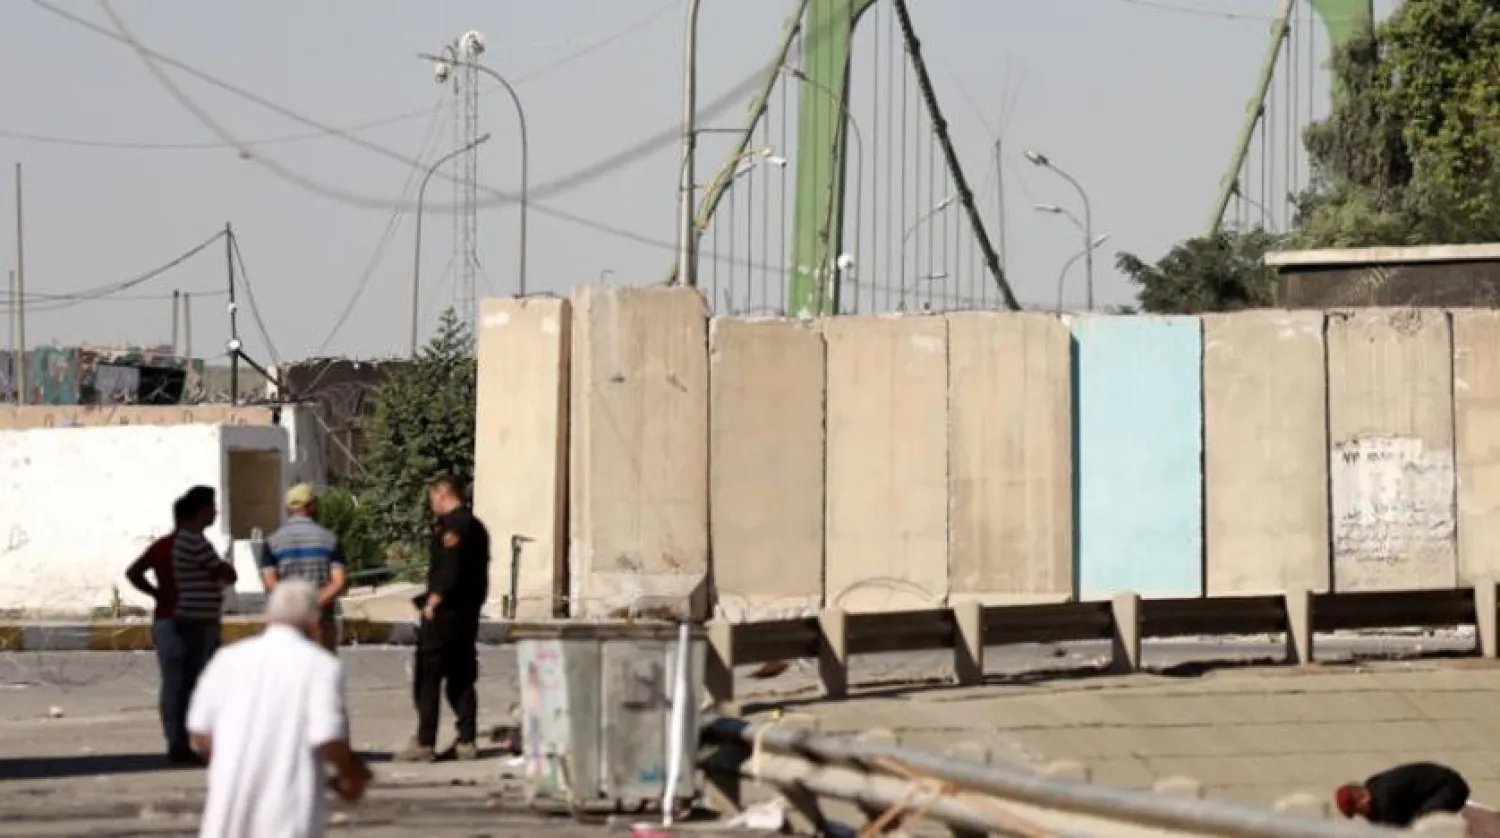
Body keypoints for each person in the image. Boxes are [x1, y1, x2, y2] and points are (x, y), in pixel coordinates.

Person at [187, 579, 371, 838]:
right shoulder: (320, 665)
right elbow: (328, 736)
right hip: (288, 813)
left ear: (268, 617)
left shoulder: (228, 659)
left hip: (227, 810)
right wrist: (351, 774)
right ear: (313, 623)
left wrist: (231, 761)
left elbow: (200, 732)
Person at [395, 475, 491, 763]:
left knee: (428, 676)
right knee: (461, 678)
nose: (431, 504)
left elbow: (451, 567)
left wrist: (434, 600)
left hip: (445, 614)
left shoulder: (455, 526)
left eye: (431, 498)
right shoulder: (477, 526)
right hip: (467, 615)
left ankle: (425, 742)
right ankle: (466, 740)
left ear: (442, 495)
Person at [170, 485, 238, 756]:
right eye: (212, 507)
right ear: (200, 511)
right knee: (199, 683)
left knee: (191, 681)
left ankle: (186, 740)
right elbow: (228, 574)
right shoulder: (195, 542)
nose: (216, 512)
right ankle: (192, 742)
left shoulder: (187, 540)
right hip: (197, 621)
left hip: (195, 618)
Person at [124, 496, 189, 762]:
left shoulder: (163, 546)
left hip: (167, 618)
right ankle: (181, 741)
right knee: (185, 683)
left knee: (174, 683)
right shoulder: (188, 545)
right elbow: (226, 574)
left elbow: (134, 572)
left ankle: (177, 740)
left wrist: (156, 593)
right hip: (184, 620)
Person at [259, 483, 348, 652]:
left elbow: (270, 582)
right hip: (321, 620)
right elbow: (338, 582)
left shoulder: (272, 541)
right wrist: (313, 603)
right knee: (322, 671)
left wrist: (294, 606)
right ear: (312, 506)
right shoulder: (330, 540)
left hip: (286, 623)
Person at [1335, 761, 1471, 826]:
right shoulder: (1372, 787)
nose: (1362, 816)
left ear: (1363, 798)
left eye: (1359, 811)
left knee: (1421, 826)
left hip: (1449, 787)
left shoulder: (1386, 798)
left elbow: (1394, 831)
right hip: (1428, 792)